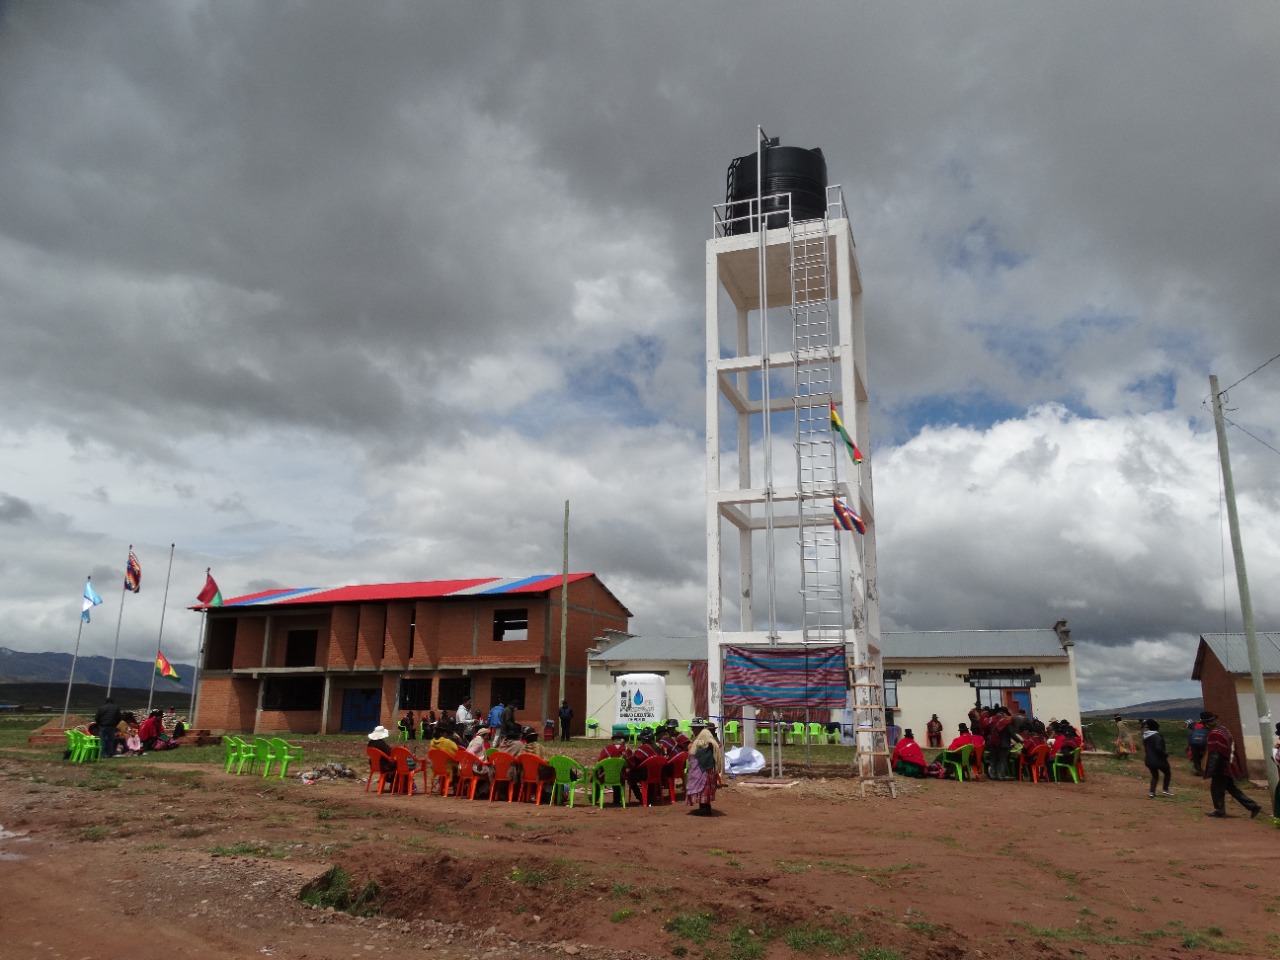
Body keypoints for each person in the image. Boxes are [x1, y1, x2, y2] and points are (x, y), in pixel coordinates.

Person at [1201, 710, 1261, 819]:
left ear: (1207, 724)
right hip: (1228, 764)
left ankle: (1220, 810)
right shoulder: (1224, 730)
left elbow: (1216, 753)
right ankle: (1253, 806)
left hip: (1221, 767)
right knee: (1231, 788)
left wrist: (1211, 770)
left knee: (1216, 789)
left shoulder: (1215, 734)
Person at [685, 718, 724, 816]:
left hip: (705, 767)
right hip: (703, 767)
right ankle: (704, 807)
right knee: (703, 789)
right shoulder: (698, 736)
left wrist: (698, 748)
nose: (693, 729)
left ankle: (705, 808)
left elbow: (709, 745)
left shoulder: (705, 735)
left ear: (700, 727)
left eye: (695, 727)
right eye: (693, 728)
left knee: (703, 789)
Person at [1141, 718, 1172, 797]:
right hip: (1159, 760)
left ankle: (1152, 792)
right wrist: (1165, 754)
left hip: (1149, 760)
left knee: (1155, 776)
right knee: (1167, 773)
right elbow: (1158, 748)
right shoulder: (1157, 736)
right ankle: (1165, 789)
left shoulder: (1145, 736)